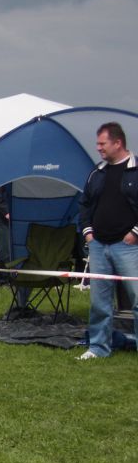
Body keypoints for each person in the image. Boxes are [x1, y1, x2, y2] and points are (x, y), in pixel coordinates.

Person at [76, 122, 138, 360]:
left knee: (137, 299)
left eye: (102, 143)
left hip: (129, 246)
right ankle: (98, 348)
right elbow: (84, 205)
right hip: (99, 246)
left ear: (118, 143)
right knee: (99, 302)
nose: (98, 148)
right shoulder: (97, 172)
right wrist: (88, 234)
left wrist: (134, 233)